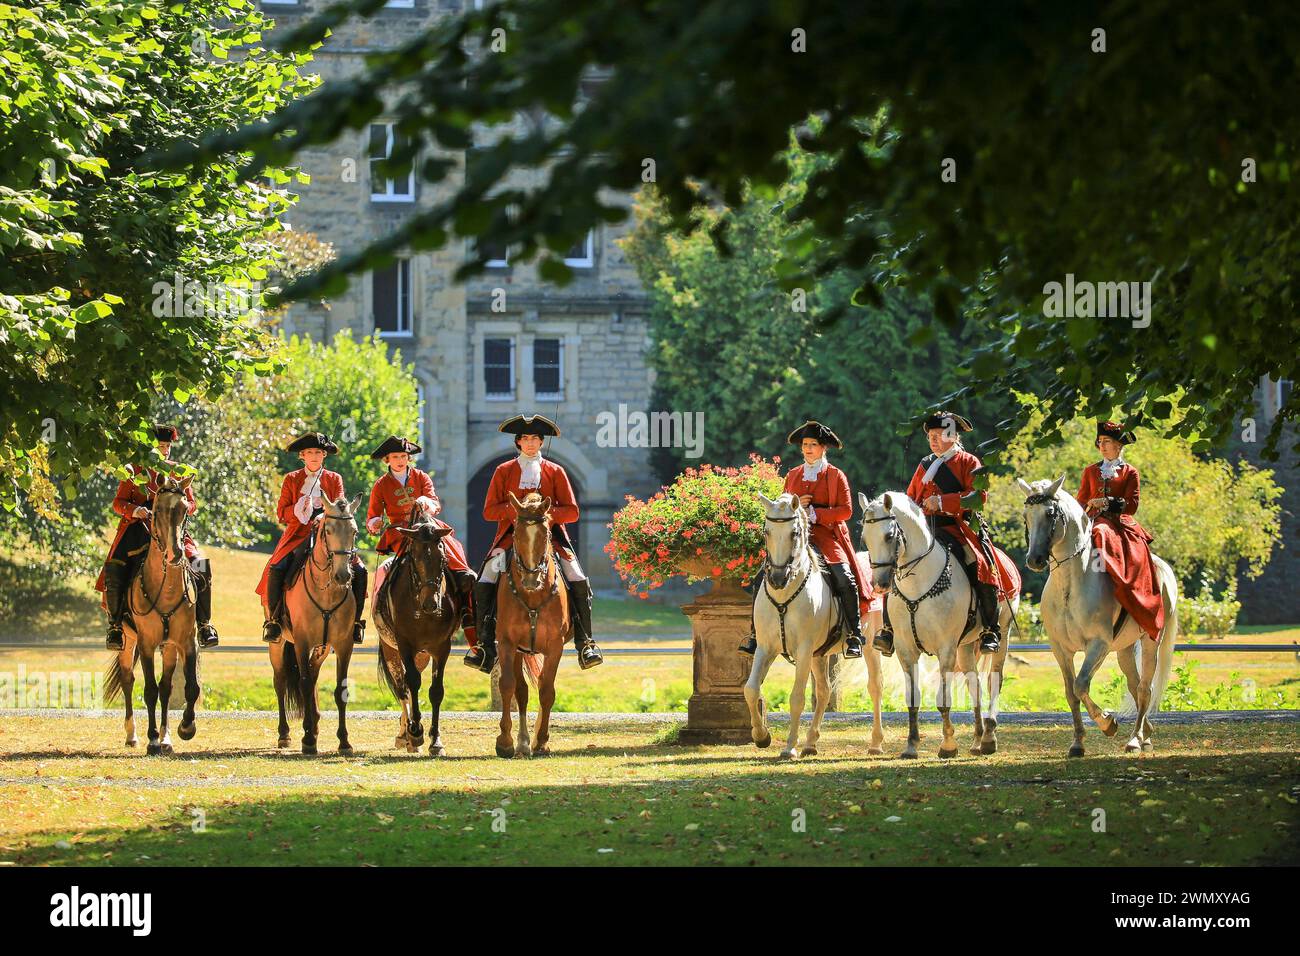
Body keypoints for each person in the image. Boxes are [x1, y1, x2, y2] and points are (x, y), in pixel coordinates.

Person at [464, 414, 603, 673]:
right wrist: (518, 511)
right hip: (511, 537)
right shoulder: (503, 471)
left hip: (550, 539)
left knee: (577, 576)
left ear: (541, 442)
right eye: (525, 439)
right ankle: (484, 645)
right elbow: (489, 511)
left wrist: (544, 516)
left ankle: (585, 642)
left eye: (535, 438)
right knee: (484, 578)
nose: (530, 443)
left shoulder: (555, 471)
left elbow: (572, 511)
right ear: (518, 442)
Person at [873, 411, 1019, 656]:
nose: (934, 439)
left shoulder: (969, 462)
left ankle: (990, 629)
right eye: (931, 435)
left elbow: (978, 497)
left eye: (939, 434)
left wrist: (942, 502)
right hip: (925, 530)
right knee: (898, 565)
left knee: (979, 564)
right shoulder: (925, 465)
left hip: (958, 527)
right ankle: (888, 629)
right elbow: (911, 498)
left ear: (952, 435)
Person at [739, 421, 876, 659]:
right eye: (805, 445)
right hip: (794, 537)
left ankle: (854, 635)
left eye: (813, 444)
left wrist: (814, 513)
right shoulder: (793, 475)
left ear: (824, 448)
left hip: (826, 535)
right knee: (762, 575)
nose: (808, 449)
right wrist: (795, 507)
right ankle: (755, 634)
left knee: (845, 578)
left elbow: (846, 511)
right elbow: (783, 504)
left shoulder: (835, 475)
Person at [95, 424, 218, 650]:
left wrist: (181, 507)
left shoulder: (178, 471)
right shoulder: (134, 470)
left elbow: (192, 503)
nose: (165, 450)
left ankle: (204, 624)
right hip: (138, 527)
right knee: (115, 565)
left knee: (201, 564)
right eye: (161, 446)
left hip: (171, 528)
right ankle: (115, 626)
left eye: (168, 446)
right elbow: (117, 503)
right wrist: (135, 510)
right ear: (150, 446)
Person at [255, 432, 368, 644]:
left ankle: (356, 622)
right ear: (302, 456)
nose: (314, 456)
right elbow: (281, 513)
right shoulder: (291, 479)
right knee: (277, 567)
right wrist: (298, 509)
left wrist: (323, 512)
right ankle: (274, 621)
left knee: (360, 570)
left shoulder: (334, 479)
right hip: (298, 535)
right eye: (309, 453)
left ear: (324, 455)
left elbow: (341, 507)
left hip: (330, 535)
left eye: (318, 452)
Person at [365, 435, 477, 642]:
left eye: (404, 456)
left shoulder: (421, 477)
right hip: (401, 532)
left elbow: (435, 502)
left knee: (453, 545)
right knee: (390, 568)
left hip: (427, 527)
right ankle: (381, 610)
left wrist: (426, 502)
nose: (400, 460)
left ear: (409, 458)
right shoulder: (381, 485)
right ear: (387, 460)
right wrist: (374, 523)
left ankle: (463, 582)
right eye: (395, 456)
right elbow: (372, 516)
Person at [1075, 420, 1165, 639]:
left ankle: (1121, 585)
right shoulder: (1090, 470)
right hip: (1092, 519)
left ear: (1119, 445)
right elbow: (1081, 500)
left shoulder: (1130, 472)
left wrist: (1105, 502)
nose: (1103, 446)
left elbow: (1132, 505)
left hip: (1118, 523)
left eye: (1107, 441)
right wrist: (1088, 507)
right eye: (1100, 442)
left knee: (1101, 532)